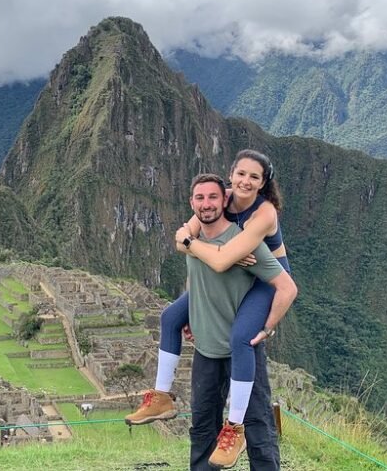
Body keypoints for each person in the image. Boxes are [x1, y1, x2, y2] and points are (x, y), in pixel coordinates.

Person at [126, 152, 295, 470]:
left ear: (263, 184)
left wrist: (269, 324)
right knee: (170, 317)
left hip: (266, 279)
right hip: (222, 284)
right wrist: (195, 301)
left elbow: (217, 258)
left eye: (254, 177)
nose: (245, 181)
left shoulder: (264, 214)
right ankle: (161, 395)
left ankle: (236, 430)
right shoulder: (219, 198)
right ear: (231, 175)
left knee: (242, 342)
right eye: (240, 174)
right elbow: (183, 238)